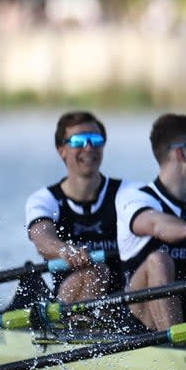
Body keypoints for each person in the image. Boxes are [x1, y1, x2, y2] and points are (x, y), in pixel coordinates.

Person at [116, 113, 186, 331]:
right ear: (181, 152)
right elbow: (158, 226)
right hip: (142, 318)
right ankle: (175, 350)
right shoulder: (134, 198)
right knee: (159, 260)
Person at [22, 110, 124, 304]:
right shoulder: (44, 199)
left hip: (123, 301)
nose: (88, 147)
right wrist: (65, 250)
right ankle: (80, 328)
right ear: (62, 149)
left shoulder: (125, 192)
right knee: (96, 269)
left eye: (95, 140)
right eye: (78, 141)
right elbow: (42, 238)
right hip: (69, 299)